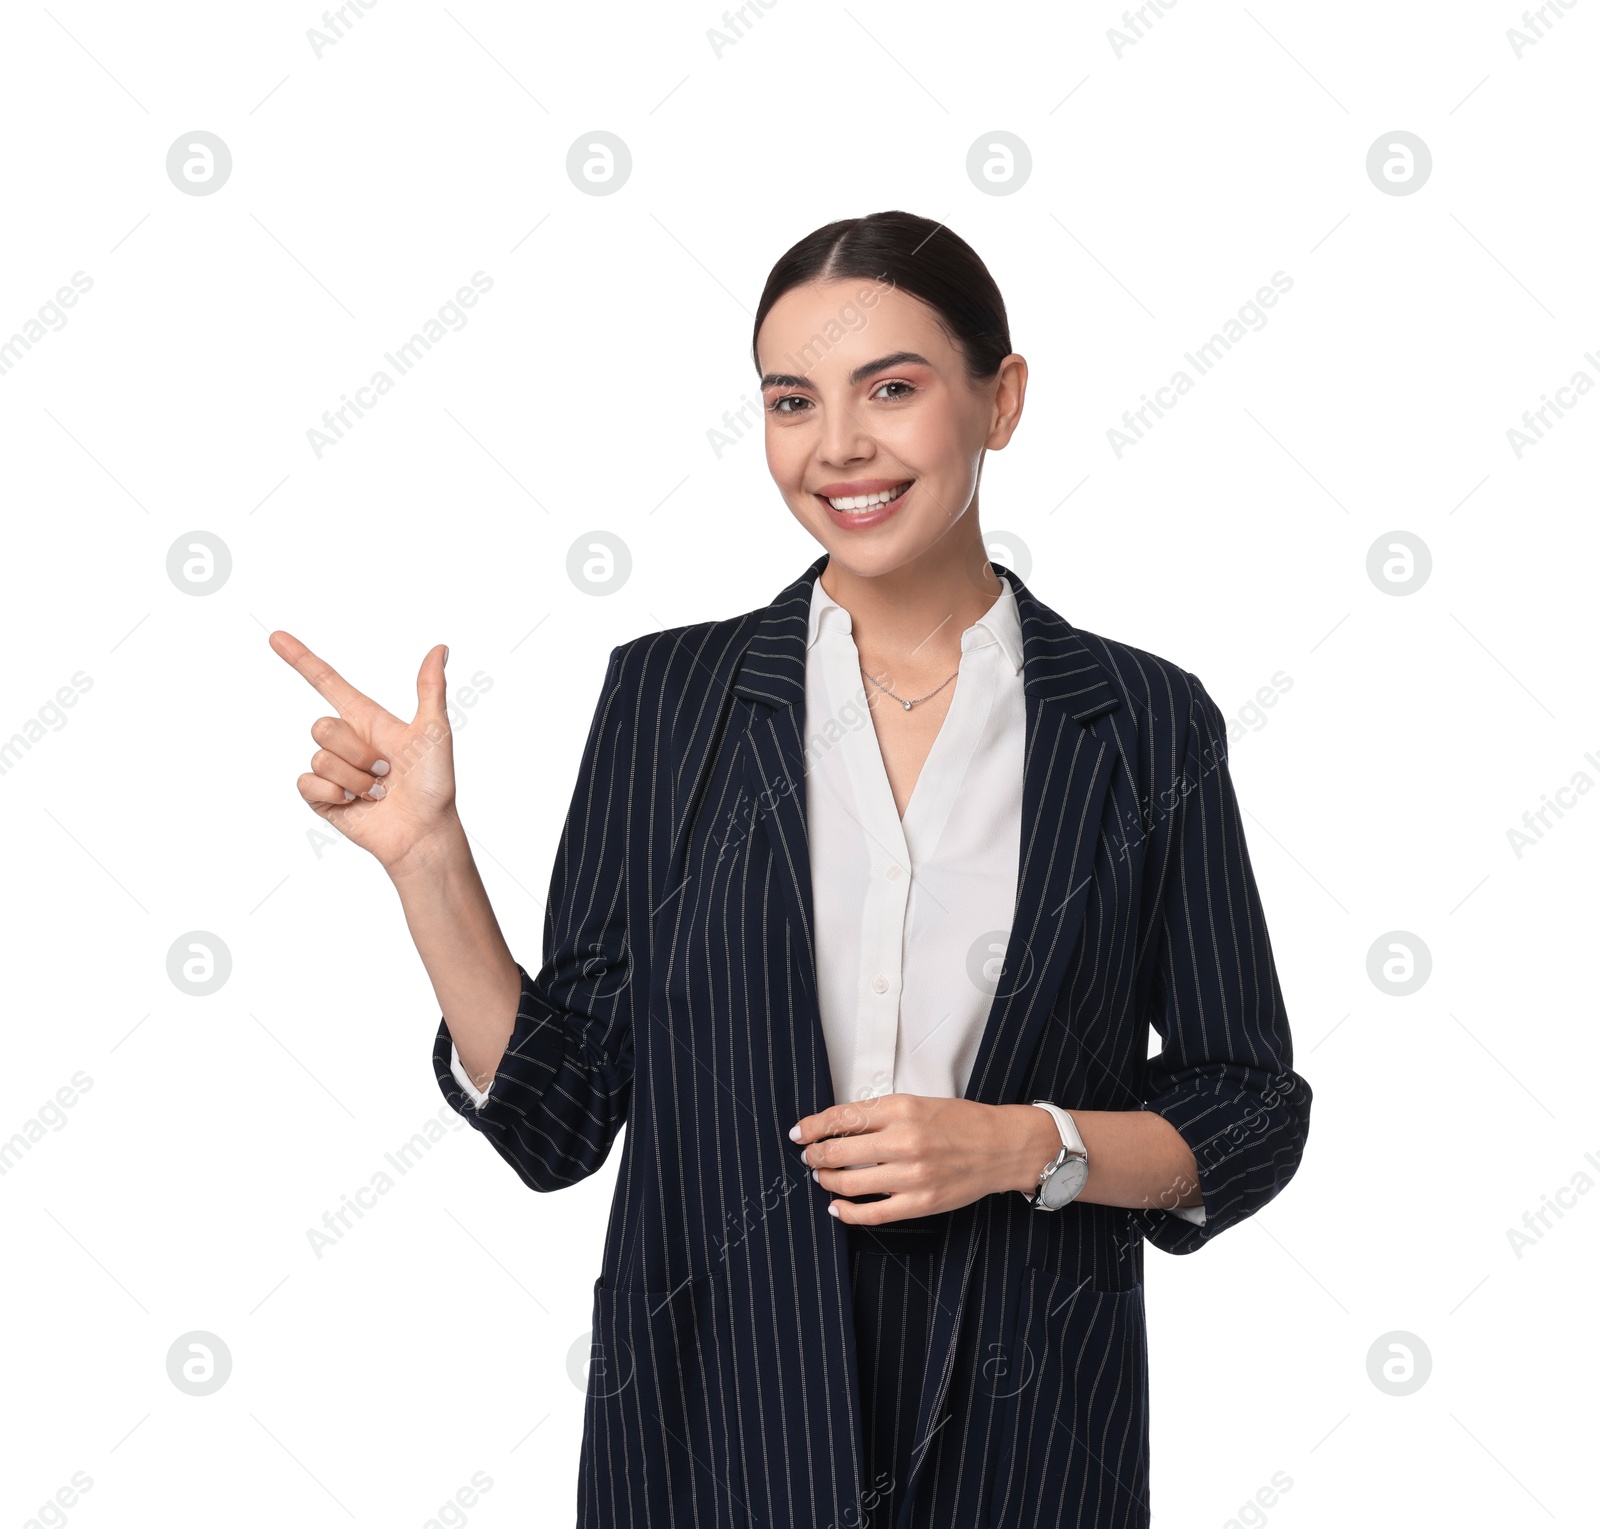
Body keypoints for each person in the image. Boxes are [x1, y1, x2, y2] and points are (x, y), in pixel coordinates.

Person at [270, 209, 1312, 1529]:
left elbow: (1244, 1113)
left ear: (1002, 400)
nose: (839, 447)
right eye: (791, 401)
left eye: (893, 388)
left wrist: (1023, 1146)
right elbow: (559, 1118)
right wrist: (428, 860)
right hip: (717, 1437)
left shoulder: (1146, 721)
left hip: (1028, 1443)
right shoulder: (668, 698)